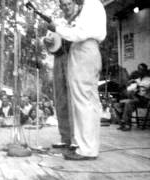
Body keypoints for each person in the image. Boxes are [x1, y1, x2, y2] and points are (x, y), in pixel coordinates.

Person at [47, 0, 107, 160]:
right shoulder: (91, 6)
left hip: (84, 49)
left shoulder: (91, 5)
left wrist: (57, 28)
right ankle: (88, 146)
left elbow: (79, 33)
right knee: (89, 101)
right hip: (86, 50)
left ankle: (85, 149)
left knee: (82, 101)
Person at [43, 0, 82, 151]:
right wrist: (47, 42)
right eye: (63, 5)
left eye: (68, 4)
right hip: (59, 58)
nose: (66, 7)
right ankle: (65, 137)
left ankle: (76, 139)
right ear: (60, 7)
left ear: (74, 4)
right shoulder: (57, 22)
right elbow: (50, 42)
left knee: (74, 98)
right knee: (60, 98)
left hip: (74, 57)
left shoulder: (80, 19)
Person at [118, 63, 150, 131]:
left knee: (128, 103)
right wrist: (128, 84)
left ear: (145, 71)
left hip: (144, 100)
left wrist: (136, 83)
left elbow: (145, 87)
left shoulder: (149, 79)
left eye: (142, 70)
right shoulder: (137, 79)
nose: (140, 71)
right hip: (136, 99)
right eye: (139, 70)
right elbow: (129, 89)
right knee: (120, 103)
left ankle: (127, 125)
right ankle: (123, 122)